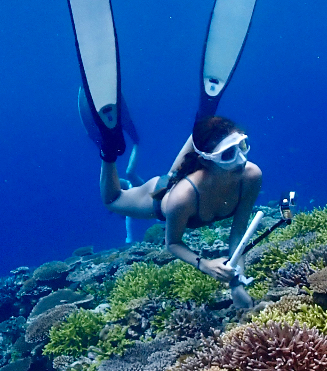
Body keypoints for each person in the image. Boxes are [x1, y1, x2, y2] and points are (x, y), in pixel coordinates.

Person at [97, 115, 261, 306]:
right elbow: (172, 243)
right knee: (113, 200)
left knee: (183, 161)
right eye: (228, 154)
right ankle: (108, 151)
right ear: (206, 161)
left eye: (242, 146)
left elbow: (239, 230)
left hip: (193, 175)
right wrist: (205, 265)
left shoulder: (251, 176)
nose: (241, 160)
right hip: (162, 195)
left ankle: (204, 116)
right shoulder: (182, 198)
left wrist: (237, 283)